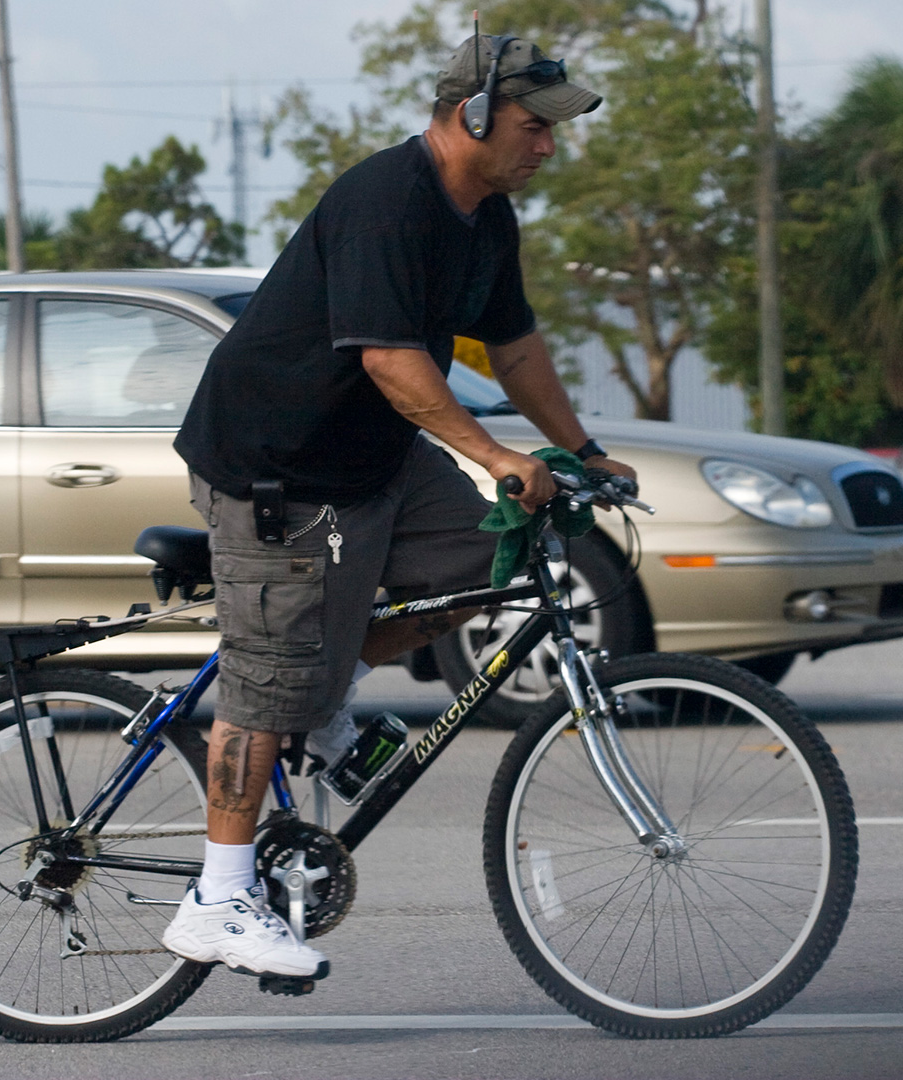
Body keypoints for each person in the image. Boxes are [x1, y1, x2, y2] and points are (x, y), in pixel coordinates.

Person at [161, 32, 637, 981]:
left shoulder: (486, 219)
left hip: (370, 455)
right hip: (276, 466)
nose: (548, 145)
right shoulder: (388, 199)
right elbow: (389, 358)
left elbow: (516, 347)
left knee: (480, 562)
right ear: (470, 114)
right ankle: (216, 898)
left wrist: (580, 451)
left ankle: (324, 704)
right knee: (268, 680)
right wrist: (497, 452)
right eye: (534, 125)